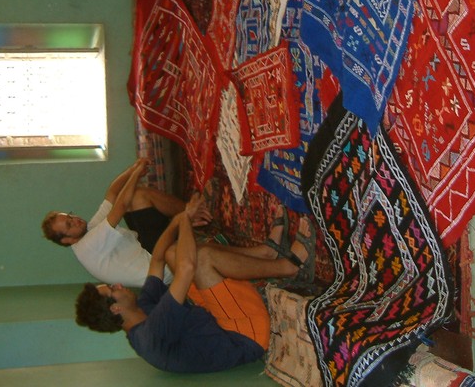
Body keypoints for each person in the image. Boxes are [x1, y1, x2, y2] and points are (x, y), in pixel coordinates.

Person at [75, 194, 316, 373]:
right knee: (200, 260)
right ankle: (289, 267)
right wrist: (186, 222)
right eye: (112, 289)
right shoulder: (151, 334)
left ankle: (266, 253)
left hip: (215, 319)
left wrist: (177, 220)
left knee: (172, 254)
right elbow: (188, 268)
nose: (117, 285)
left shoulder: (140, 311)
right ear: (116, 308)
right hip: (244, 336)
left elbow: (157, 259)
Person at [41, 158, 210, 287]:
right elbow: (120, 206)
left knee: (134, 198)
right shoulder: (87, 247)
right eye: (69, 225)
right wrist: (135, 175)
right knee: (137, 196)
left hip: (147, 249)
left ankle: (192, 214)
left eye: (70, 216)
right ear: (67, 240)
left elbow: (112, 194)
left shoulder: (88, 230)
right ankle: (192, 213)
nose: (75, 220)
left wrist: (133, 169)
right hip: (161, 268)